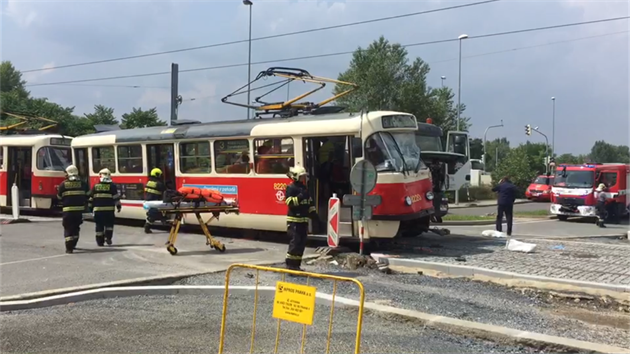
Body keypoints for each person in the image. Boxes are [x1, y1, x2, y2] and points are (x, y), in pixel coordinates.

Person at [284, 166, 321, 271]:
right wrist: (300, 197)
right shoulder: (291, 188)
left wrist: (314, 216)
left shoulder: (304, 188)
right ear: (296, 177)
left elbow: (309, 203)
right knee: (295, 243)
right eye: (301, 176)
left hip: (303, 221)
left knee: (301, 243)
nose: (303, 178)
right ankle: (290, 265)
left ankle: (297, 265)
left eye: (304, 176)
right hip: (294, 221)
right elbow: (289, 202)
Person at [56, 165, 89, 254]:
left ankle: (69, 248)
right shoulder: (83, 184)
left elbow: (59, 197)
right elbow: (88, 195)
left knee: (68, 229)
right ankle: (74, 244)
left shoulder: (63, 184)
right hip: (79, 212)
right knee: (76, 228)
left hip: (68, 211)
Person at [88, 168, 121, 246]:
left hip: (98, 211)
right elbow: (116, 198)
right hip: (109, 211)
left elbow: (90, 199)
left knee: (99, 226)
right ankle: (108, 238)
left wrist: (90, 208)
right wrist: (118, 206)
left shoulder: (95, 186)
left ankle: (100, 242)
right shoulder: (112, 186)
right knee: (109, 226)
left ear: (100, 176)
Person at [144, 168, 165, 234]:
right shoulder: (159, 184)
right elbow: (164, 191)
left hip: (148, 201)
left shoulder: (148, 182)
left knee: (153, 213)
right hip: (155, 201)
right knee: (154, 214)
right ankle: (147, 226)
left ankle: (163, 220)